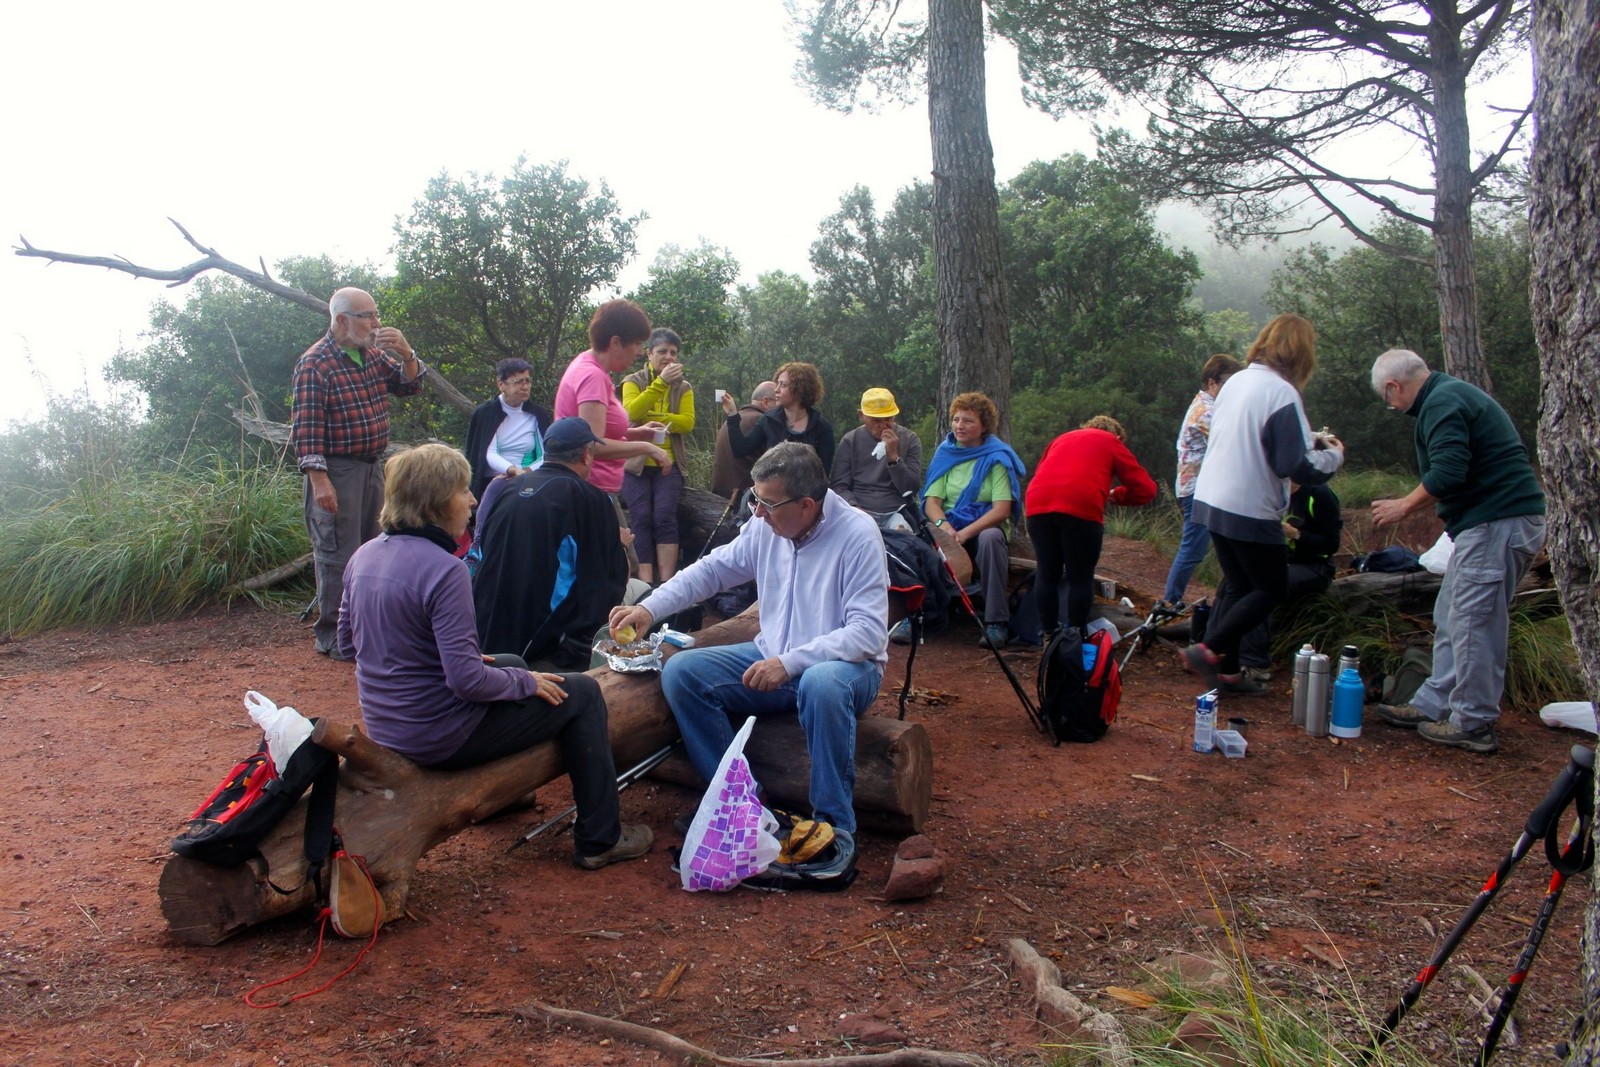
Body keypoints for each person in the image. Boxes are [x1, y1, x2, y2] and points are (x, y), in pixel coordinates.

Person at [336, 443, 651, 870]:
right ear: (435, 502)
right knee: (582, 694)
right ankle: (601, 838)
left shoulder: (364, 555)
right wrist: (526, 682)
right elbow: (466, 681)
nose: (472, 500)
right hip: (437, 735)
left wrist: (454, 662)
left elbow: (348, 644)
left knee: (509, 662)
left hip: (388, 725)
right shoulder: (445, 570)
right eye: (462, 490)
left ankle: (506, 795)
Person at [608, 442, 887, 879]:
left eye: (768, 504)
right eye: (755, 499)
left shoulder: (857, 533)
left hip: (846, 669)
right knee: (683, 672)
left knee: (822, 683)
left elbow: (867, 633)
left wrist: (790, 662)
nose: (757, 512)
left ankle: (834, 827)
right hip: (772, 654)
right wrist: (649, 607)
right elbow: (712, 570)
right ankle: (742, 805)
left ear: (807, 504)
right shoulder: (766, 525)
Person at [1369, 349, 1546, 754]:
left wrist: (1403, 506)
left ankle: (1472, 721)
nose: (1391, 406)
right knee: (1452, 613)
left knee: (1473, 622)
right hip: (1491, 523)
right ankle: (1434, 704)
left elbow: (1449, 472)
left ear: (1394, 386)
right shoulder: (1447, 395)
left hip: (1497, 521)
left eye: (1387, 398)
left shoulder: (1442, 402)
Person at [1183, 314, 1345, 695]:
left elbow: (1248, 435)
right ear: (1302, 354)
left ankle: (1228, 672)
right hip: (1249, 506)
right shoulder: (1282, 393)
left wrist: (1304, 442)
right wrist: (1334, 456)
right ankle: (1207, 649)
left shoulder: (1236, 382)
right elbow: (1295, 465)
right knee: (1270, 588)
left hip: (1212, 498)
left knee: (1239, 585)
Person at [291, 287, 427, 658]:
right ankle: (334, 636)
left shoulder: (372, 354)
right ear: (341, 319)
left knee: (374, 549)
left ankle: (367, 630)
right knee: (337, 553)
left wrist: (407, 353)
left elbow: (410, 385)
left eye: (375, 314)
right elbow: (306, 429)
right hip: (336, 471)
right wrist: (320, 481)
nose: (376, 323)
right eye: (367, 316)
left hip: (372, 467)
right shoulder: (315, 363)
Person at [472, 418, 631, 671]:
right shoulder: (591, 499)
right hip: (542, 648)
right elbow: (608, 584)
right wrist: (620, 545)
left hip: (482, 631)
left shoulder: (509, 489)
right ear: (587, 454)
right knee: (639, 593)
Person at [1024, 416, 1157, 636]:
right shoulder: (1111, 441)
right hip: (1080, 506)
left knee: (1047, 573)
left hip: (1038, 504)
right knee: (1080, 577)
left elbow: (1043, 472)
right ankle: (1076, 635)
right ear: (1117, 436)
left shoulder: (1061, 439)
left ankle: (1048, 633)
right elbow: (1146, 490)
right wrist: (1116, 495)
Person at [920, 392, 1028, 649]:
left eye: (968, 421)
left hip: (984, 525)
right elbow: (932, 503)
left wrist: (964, 534)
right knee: (920, 540)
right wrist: (944, 527)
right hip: (948, 524)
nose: (959, 426)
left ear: (984, 426)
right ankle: (921, 614)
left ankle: (996, 622)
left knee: (991, 540)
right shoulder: (946, 454)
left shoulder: (997, 457)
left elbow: (1001, 509)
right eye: (956, 419)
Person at [553, 298, 673, 517]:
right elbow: (591, 445)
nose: (639, 352)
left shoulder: (591, 366)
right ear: (616, 342)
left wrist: (637, 433)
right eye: (637, 344)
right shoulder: (592, 376)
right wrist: (647, 448)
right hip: (591, 492)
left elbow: (591, 429)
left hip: (595, 490)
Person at [1235, 480, 1343, 682]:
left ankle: (1256, 665)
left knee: (1261, 588)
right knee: (1236, 580)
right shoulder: (1274, 491)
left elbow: (1331, 544)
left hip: (1315, 567)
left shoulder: (1319, 494)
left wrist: (1297, 535)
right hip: (1280, 561)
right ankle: (1217, 648)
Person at [1159, 354, 1242, 611]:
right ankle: (1170, 601)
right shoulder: (1206, 411)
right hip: (1198, 488)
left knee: (1222, 544)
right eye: (1228, 383)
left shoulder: (1210, 407)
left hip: (1204, 487)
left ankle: (1227, 597)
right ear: (1212, 382)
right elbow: (1232, 443)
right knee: (1194, 547)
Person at [620, 328, 696, 583]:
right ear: (649, 353)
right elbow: (631, 412)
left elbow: (687, 423)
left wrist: (654, 417)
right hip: (635, 464)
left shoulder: (683, 387)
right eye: (662, 351)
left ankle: (667, 583)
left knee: (664, 516)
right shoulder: (633, 381)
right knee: (640, 516)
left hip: (668, 464)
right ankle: (645, 583)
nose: (668, 357)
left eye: (673, 353)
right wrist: (661, 382)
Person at [830, 387, 924, 531]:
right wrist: (855, 508)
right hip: (860, 508)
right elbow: (839, 486)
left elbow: (911, 489)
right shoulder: (850, 440)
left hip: (898, 510)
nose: (883, 425)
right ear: (861, 415)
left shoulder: (909, 439)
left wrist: (894, 457)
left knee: (903, 535)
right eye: (876, 420)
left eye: (889, 419)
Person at [722, 361, 835, 475]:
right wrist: (732, 414)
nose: (776, 390)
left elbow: (823, 473)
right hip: (774, 485)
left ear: (800, 390)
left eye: (783, 385)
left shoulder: (822, 427)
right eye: (778, 384)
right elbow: (740, 449)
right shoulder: (769, 420)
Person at [464, 358, 551, 501]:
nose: (525, 387)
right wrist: (513, 470)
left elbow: (547, 454)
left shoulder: (537, 414)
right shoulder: (486, 413)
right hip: (492, 482)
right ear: (501, 385)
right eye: (519, 382)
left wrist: (524, 472)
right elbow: (489, 453)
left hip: (530, 480)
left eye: (527, 381)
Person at [712, 381, 778, 498]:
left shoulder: (734, 419)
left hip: (721, 493)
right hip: (744, 498)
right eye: (778, 402)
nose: (782, 409)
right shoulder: (761, 422)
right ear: (766, 402)